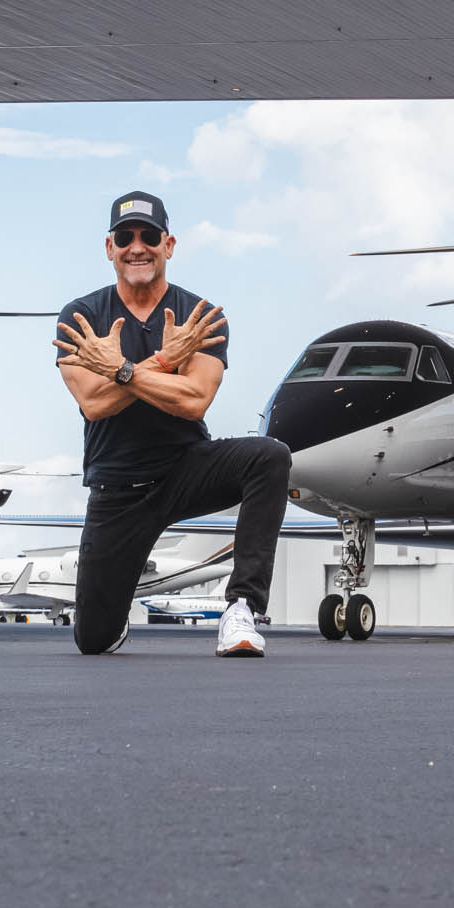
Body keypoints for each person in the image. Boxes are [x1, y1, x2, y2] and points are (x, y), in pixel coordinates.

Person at [53, 191, 290, 656]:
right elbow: (94, 404)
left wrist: (121, 369)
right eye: (125, 237)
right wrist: (165, 362)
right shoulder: (81, 318)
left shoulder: (202, 318)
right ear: (109, 247)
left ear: (169, 244)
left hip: (186, 468)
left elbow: (194, 400)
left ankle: (241, 607)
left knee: (269, 456)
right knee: (93, 641)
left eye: (149, 236)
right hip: (118, 488)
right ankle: (113, 618)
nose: (137, 246)